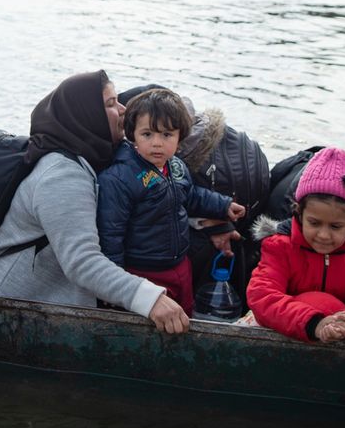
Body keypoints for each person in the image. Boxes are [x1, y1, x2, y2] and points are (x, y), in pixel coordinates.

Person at [0, 70, 190, 334]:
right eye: (110, 104)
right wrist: (150, 299)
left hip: (49, 297)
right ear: (87, 114)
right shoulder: (62, 175)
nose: (122, 110)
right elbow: (82, 262)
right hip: (5, 308)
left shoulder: (92, 154)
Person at [96, 88, 246, 315]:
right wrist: (113, 286)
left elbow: (192, 195)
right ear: (132, 134)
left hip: (179, 265)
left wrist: (223, 205)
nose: (157, 143)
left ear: (180, 136)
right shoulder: (119, 178)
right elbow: (111, 235)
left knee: (183, 315)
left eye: (166, 135)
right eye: (147, 134)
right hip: (142, 272)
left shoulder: (175, 166)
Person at [246, 147, 345, 343]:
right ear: (299, 214)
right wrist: (314, 323)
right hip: (284, 332)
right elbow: (262, 295)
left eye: (335, 226)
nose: (324, 235)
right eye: (314, 223)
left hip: (341, 337)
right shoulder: (280, 247)